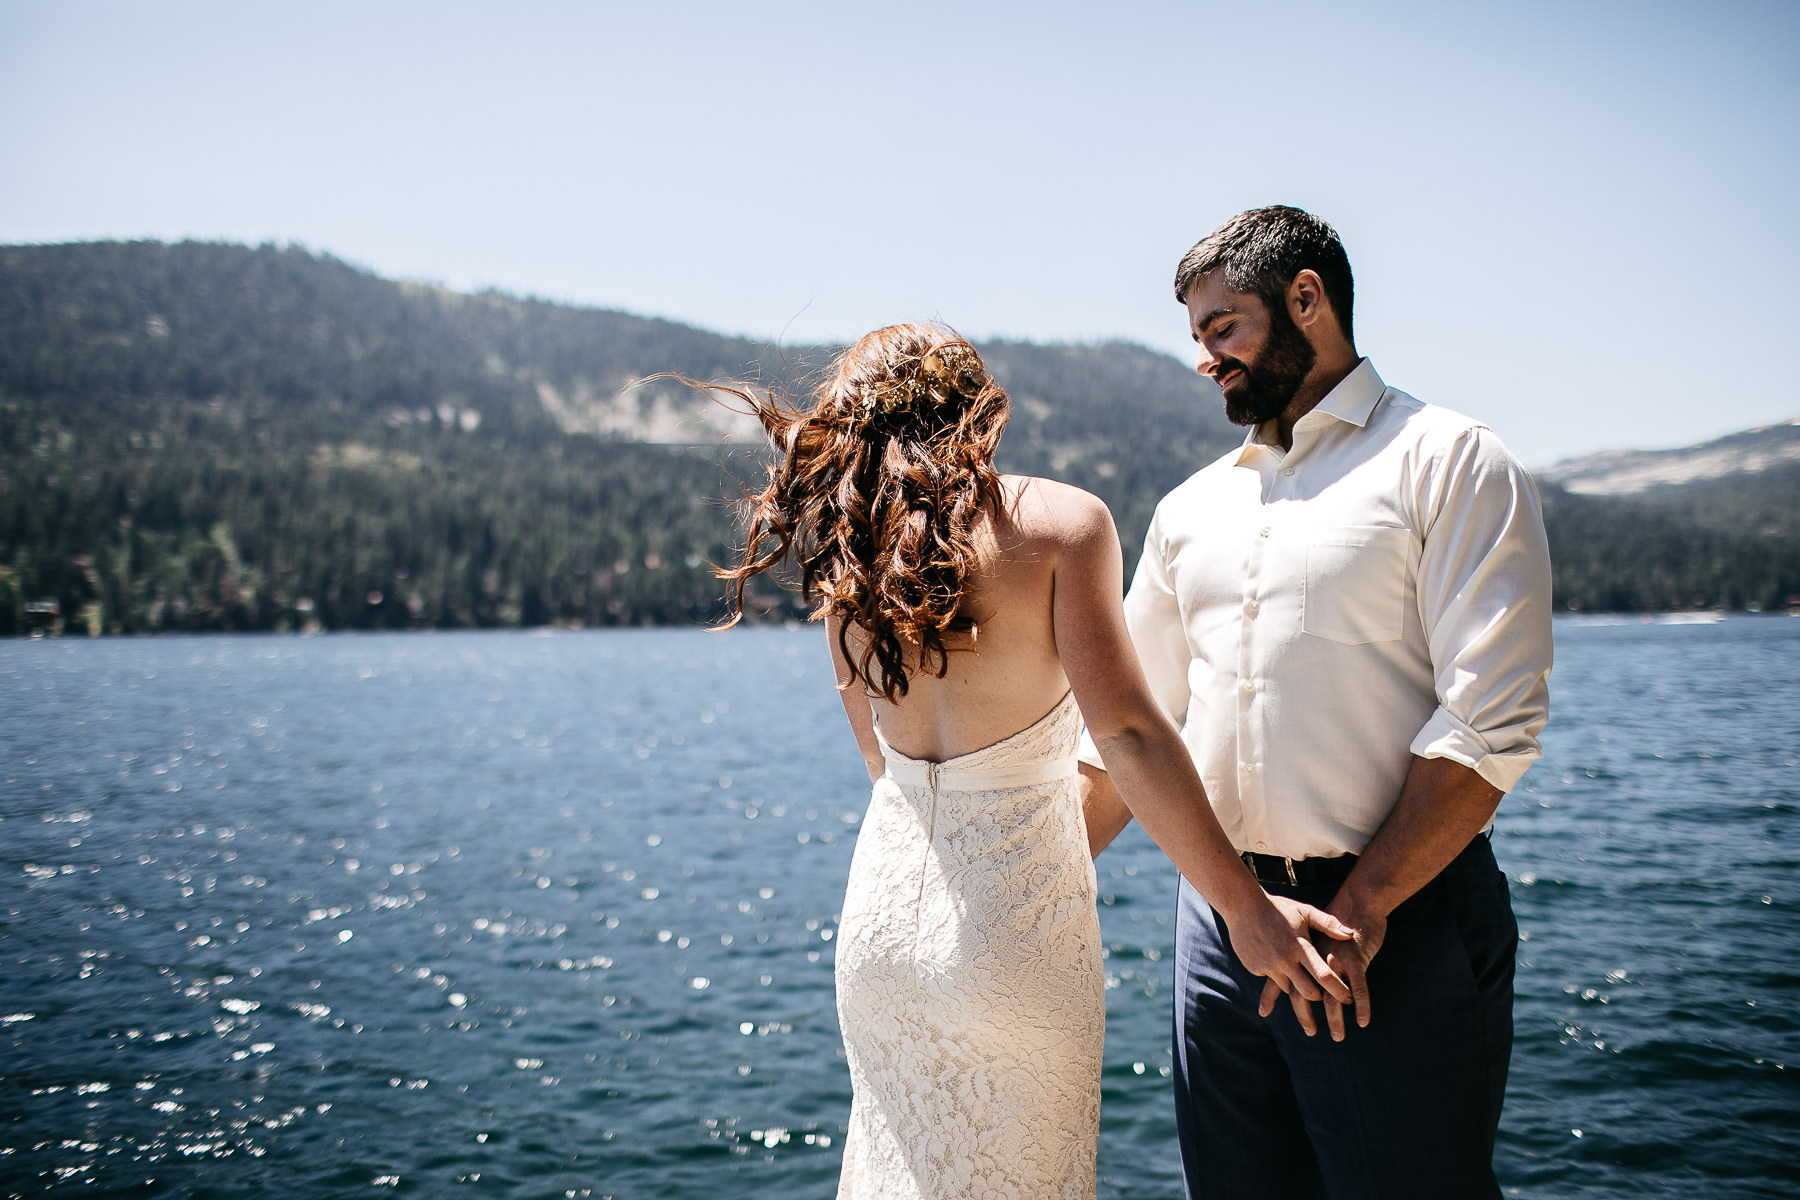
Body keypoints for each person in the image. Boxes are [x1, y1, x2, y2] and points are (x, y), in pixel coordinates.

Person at [700, 322, 1355, 1199]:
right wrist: (1245, 908)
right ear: (981, 413)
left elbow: (881, 769)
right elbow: (1127, 734)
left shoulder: (850, 562)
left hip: (880, 931)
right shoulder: (1060, 524)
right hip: (1013, 933)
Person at [1078, 206, 1554, 1199]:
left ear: (1309, 298)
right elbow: (1125, 737)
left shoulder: (1452, 460)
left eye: (1225, 327)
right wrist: (1004, 883)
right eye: (1197, 337)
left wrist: (1364, 905)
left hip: (1396, 930)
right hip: (1219, 934)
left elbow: (1491, 722)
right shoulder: (1188, 510)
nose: (1207, 358)